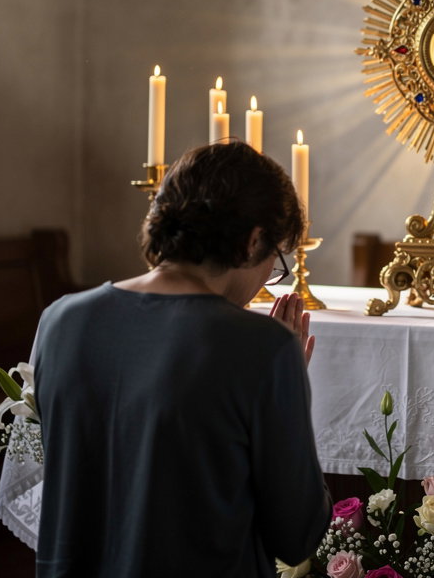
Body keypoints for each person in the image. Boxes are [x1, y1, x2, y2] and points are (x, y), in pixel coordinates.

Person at [33, 141, 330, 577]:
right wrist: (286, 385)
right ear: (251, 242)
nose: (271, 276)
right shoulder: (263, 348)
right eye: (275, 261)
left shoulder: (59, 320)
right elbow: (296, 535)